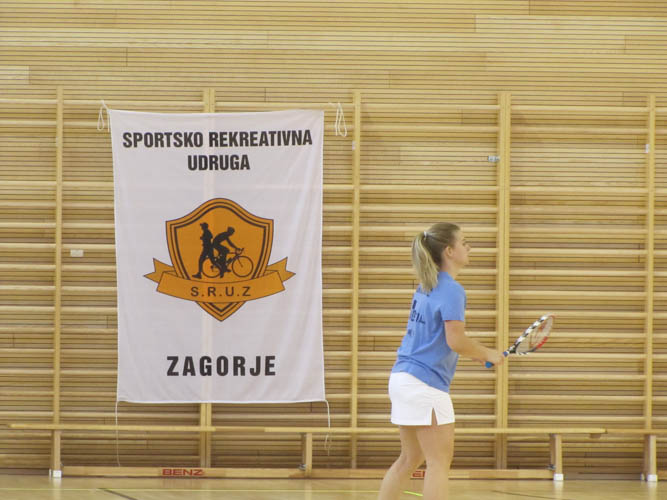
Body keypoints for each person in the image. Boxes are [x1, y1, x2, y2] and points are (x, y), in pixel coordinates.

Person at [377, 222, 504, 500]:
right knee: (438, 463)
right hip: (425, 384)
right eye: (464, 242)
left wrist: (472, 352)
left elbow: (440, 339)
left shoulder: (426, 285)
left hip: (402, 378)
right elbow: (455, 340)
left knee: (409, 459)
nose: (469, 247)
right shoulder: (452, 290)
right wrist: (487, 353)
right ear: (449, 251)